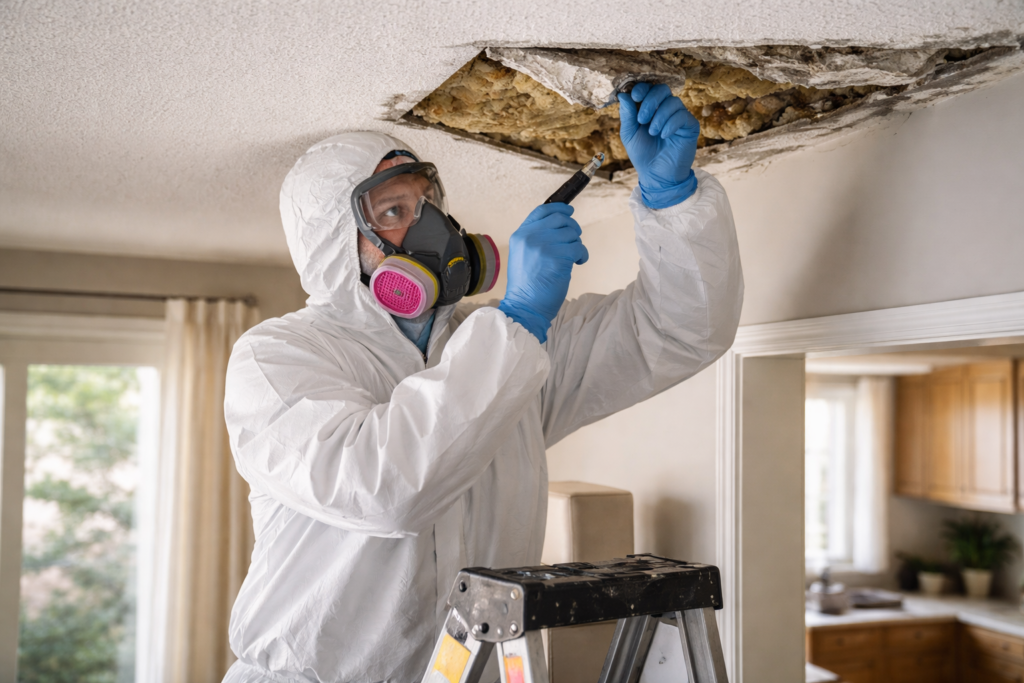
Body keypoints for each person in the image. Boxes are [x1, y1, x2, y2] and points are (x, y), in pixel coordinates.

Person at [221, 83, 744, 683]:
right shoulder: (279, 357)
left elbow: (679, 330)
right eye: (393, 212)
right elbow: (385, 488)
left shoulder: (505, 347)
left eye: (428, 203)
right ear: (336, 245)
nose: (430, 226)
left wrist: (672, 198)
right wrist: (517, 319)